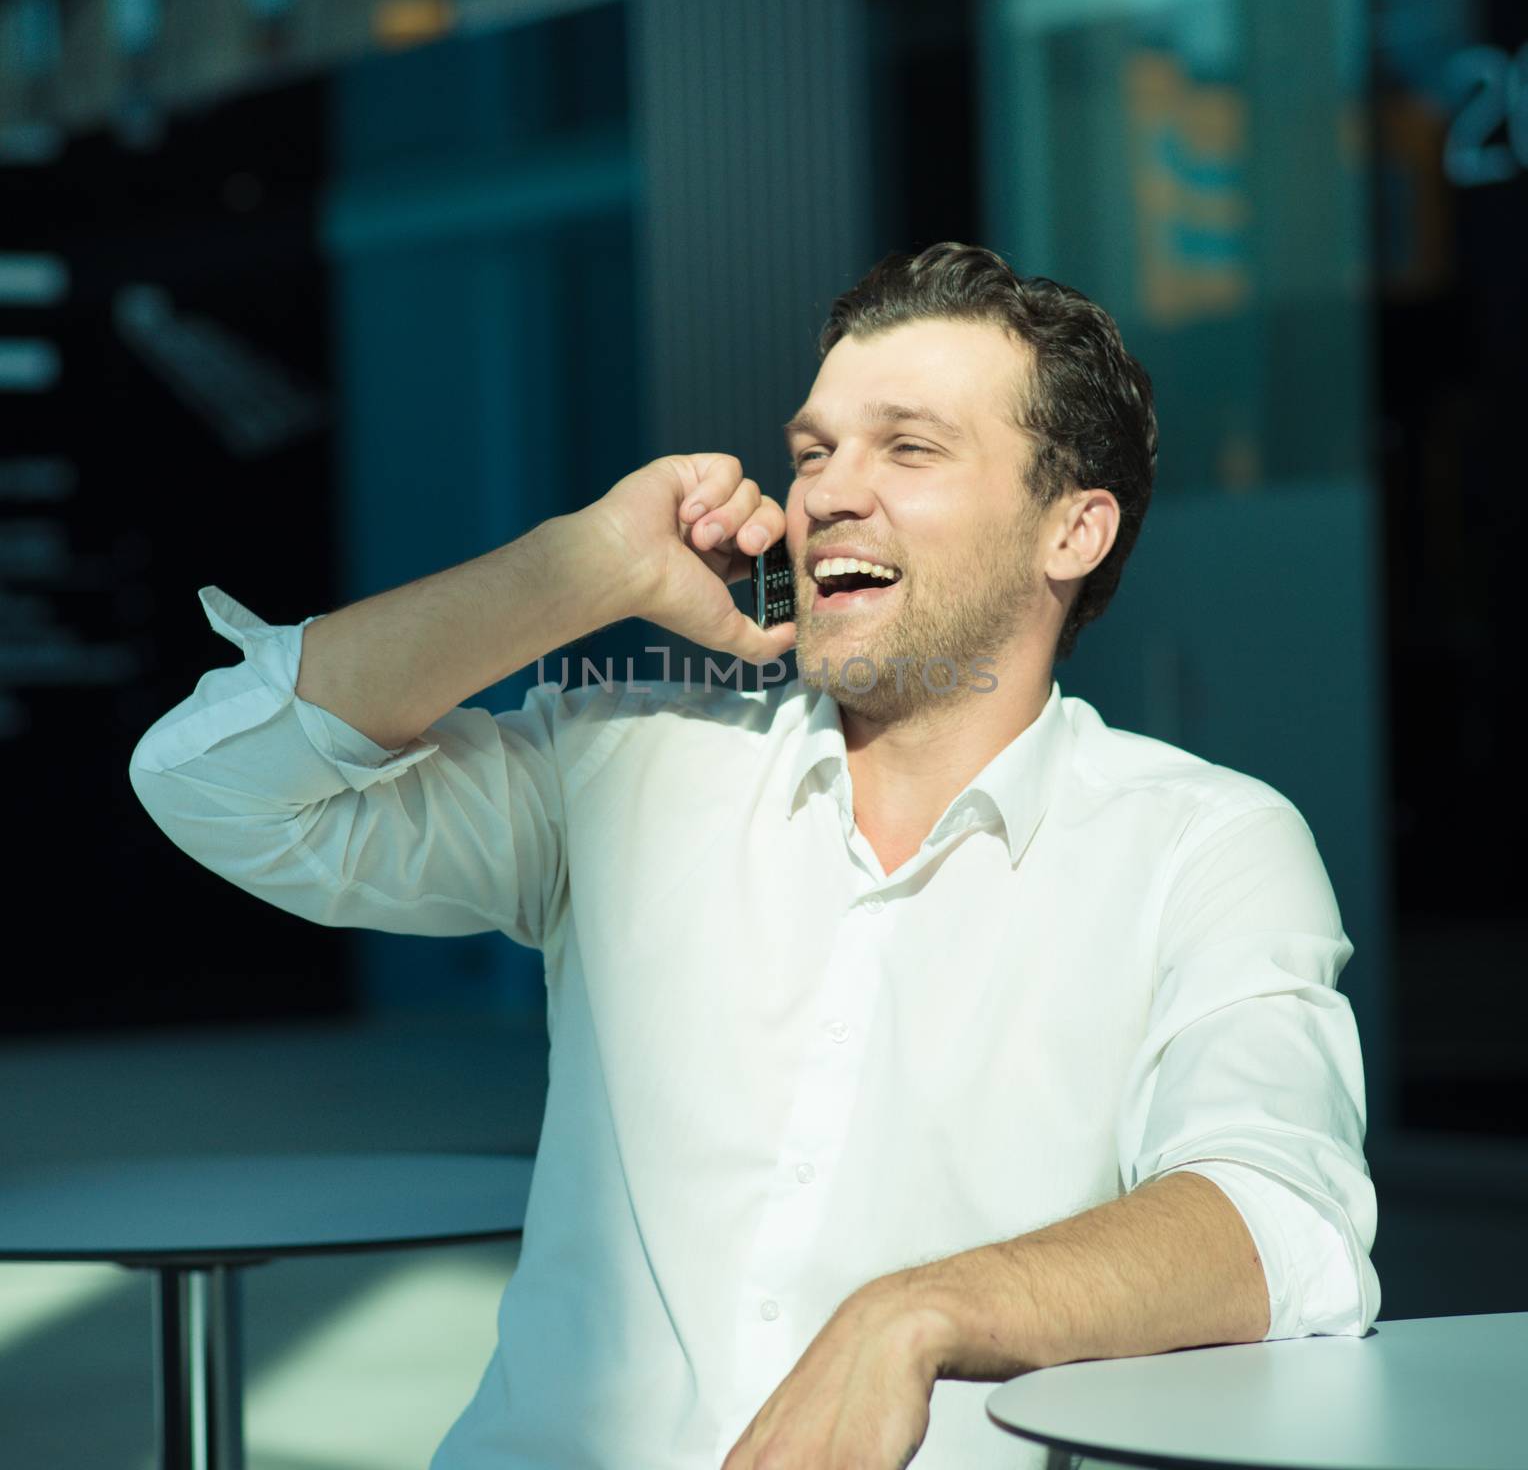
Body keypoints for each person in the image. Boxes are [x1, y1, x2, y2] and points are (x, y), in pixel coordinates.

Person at [129, 243, 1380, 1470]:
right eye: (815, 449)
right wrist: (587, 567)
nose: (830, 489)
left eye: (910, 446)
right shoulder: (620, 762)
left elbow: (1285, 1221)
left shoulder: (1202, 845)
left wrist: (916, 1314)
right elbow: (216, 783)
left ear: (1074, 530)